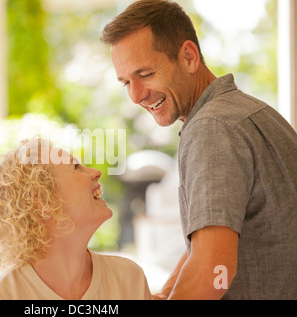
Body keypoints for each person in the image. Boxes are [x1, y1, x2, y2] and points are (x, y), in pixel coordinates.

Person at [101, 0, 297, 299]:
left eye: (145, 74)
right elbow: (207, 245)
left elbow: (212, 268)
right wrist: (166, 295)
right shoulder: (250, 112)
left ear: (189, 57)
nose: (136, 95)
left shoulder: (212, 127)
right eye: (126, 81)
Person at [0, 138, 152, 300]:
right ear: (42, 200)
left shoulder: (129, 278)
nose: (96, 172)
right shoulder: (4, 295)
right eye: (76, 166)